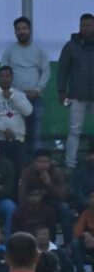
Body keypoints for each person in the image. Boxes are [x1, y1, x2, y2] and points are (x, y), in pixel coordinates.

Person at [1, 16, 50, 153]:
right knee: (17, 131)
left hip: (35, 97)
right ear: (15, 32)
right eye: (18, 29)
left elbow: (46, 71)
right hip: (15, 98)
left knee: (35, 132)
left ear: (30, 30)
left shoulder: (38, 50)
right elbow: (3, 71)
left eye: (24, 29)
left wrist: (38, 89)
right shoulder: (10, 50)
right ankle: (20, 162)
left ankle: (37, 162)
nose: (22, 32)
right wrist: (9, 91)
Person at [59, 13, 94, 169]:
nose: (85, 28)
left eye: (88, 25)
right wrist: (62, 91)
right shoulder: (70, 46)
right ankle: (70, 164)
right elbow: (62, 70)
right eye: (83, 25)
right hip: (76, 95)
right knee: (74, 131)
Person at [0, 65, 33, 173]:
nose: (5, 79)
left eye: (7, 76)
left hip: (18, 141)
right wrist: (4, 129)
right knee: (1, 171)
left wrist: (12, 97)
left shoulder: (19, 94)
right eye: (2, 76)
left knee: (19, 170)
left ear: (12, 78)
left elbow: (28, 111)